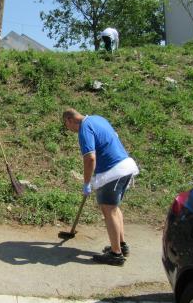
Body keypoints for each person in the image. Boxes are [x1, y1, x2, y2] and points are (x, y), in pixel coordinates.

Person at [63, 108, 139, 266]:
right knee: (114, 208)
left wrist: (86, 183)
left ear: (70, 120)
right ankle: (121, 245)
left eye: (67, 126)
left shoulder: (84, 129)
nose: (69, 130)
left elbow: (90, 158)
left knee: (108, 210)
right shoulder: (97, 118)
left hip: (113, 171)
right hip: (125, 166)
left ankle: (116, 254)